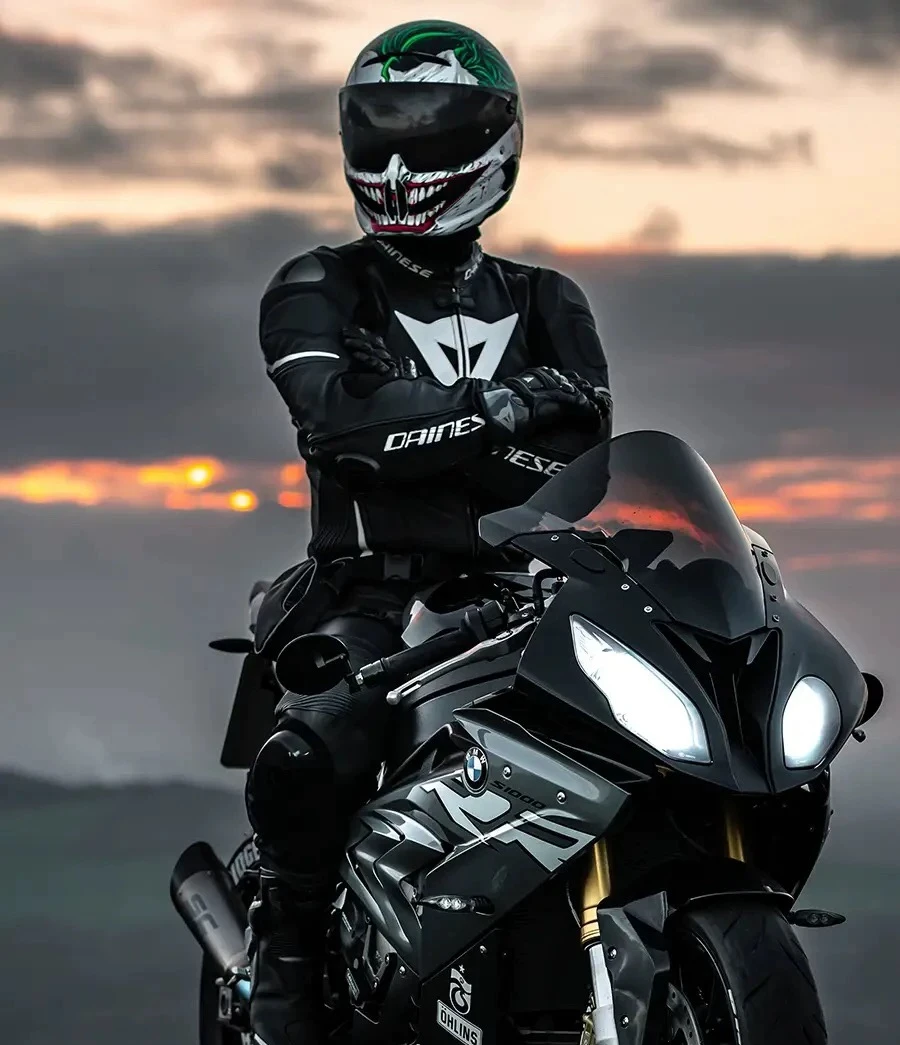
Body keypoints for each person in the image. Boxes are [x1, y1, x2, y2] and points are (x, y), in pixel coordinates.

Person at [243, 19, 613, 1045]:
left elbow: (584, 456)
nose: (402, 157)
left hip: (529, 589)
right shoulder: (316, 284)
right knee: (312, 745)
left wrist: (413, 424)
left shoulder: (550, 297)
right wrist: (499, 412)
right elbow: (337, 424)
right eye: (382, 125)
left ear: (493, 142)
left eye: (430, 127)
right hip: (369, 588)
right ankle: (286, 960)